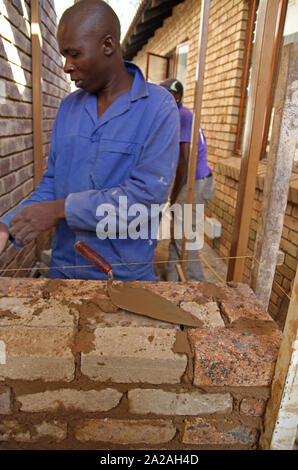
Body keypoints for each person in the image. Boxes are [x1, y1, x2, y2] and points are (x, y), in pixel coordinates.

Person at [0, 0, 180, 281]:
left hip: (122, 278)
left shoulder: (158, 108)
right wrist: (7, 226)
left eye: (74, 54)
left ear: (107, 45)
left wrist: (60, 210)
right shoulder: (69, 108)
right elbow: (53, 183)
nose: (66, 66)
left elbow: (144, 200)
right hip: (64, 271)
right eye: (63, 55)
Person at [160, 78, 215, 281]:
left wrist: (173, 195)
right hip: (200, 181)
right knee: (179, 232)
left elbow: (184, 160)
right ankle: (171, 278)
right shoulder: (183, 114)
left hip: (195, 183)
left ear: (177, 96)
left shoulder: (181, 116)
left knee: (184, 237)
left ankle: (197, 285)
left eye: (166, 94)